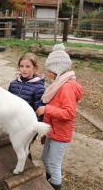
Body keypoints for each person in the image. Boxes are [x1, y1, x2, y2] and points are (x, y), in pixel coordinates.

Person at [36, 43, 83, 190]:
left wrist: (47, 109)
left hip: (60, 134)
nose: (49, 73)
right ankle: (49, 183)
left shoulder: (67, 87)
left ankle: (54, 185)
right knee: (45, 158)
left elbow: (69, 113)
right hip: (53, 131)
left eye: (50, 70)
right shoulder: (59, 84)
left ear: (58, 69)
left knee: (55, 165)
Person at [8, 52, 45, 160]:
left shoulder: (39, 89)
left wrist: (34, 134)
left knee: (24, 148)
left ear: (35, 68)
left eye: (28, 66)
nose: (24, 69)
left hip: (26, 127)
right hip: (13, 123)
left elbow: (39, 113)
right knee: (14, 146)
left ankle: (27, 164)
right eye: (21, 66)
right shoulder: (13, 84)